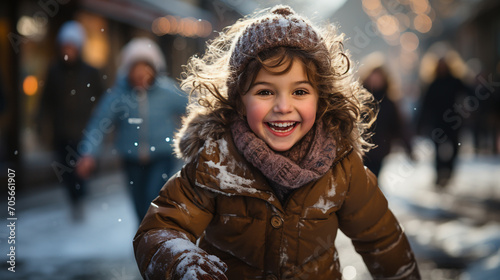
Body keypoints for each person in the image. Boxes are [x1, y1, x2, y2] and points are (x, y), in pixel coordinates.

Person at [133, 6, 420, 280]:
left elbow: (381, 239)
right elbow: (159, 229)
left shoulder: (341, 166)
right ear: (239, 99)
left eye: (299, 91)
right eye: (265, 91)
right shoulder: (216, 161)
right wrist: (179, 261)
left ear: (321, 99)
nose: (283, 106)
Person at [76, 37, 187, 222]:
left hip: (162, 156)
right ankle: (145, 243)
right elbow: (99, 123)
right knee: (139, 207)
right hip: (131, 159)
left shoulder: (168, 91)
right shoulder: (118, 96)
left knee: (153, 200)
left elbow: (195, 109)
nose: (141, 73)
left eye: (146, 67)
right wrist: (88, 153)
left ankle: (155, 242)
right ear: (127, 70)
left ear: (154, 68)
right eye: (135, 68)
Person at [38, 20, 104, 221]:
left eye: (72, 46)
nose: (68, 51)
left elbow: (102, 99)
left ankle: (80, 198)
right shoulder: (54, 71)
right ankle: (75, 200)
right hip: (61, 131)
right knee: (66, 172)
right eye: (65, 46)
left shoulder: (90, 72)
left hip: (85, 131)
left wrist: (102, 125)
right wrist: (41, 124)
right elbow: (45, 101)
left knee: (81, 170)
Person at [417, 58, 469, 188]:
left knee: (454, 147)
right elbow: (425, 105)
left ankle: (449, 171)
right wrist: (421, 122)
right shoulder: (433, 84)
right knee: (437, 147)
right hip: (437, 121)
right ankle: (439, 173)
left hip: (454, 121)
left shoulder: (456, 81)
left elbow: (468, 93)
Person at [363, 66, 413, 176]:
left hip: (379, 149)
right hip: (360, 149)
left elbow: (398, 126)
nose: (375, 80)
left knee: (373, 179)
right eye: (373, 76)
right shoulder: (359, 100)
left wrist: (408, 147)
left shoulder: (389, 103)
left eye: (378, 77)